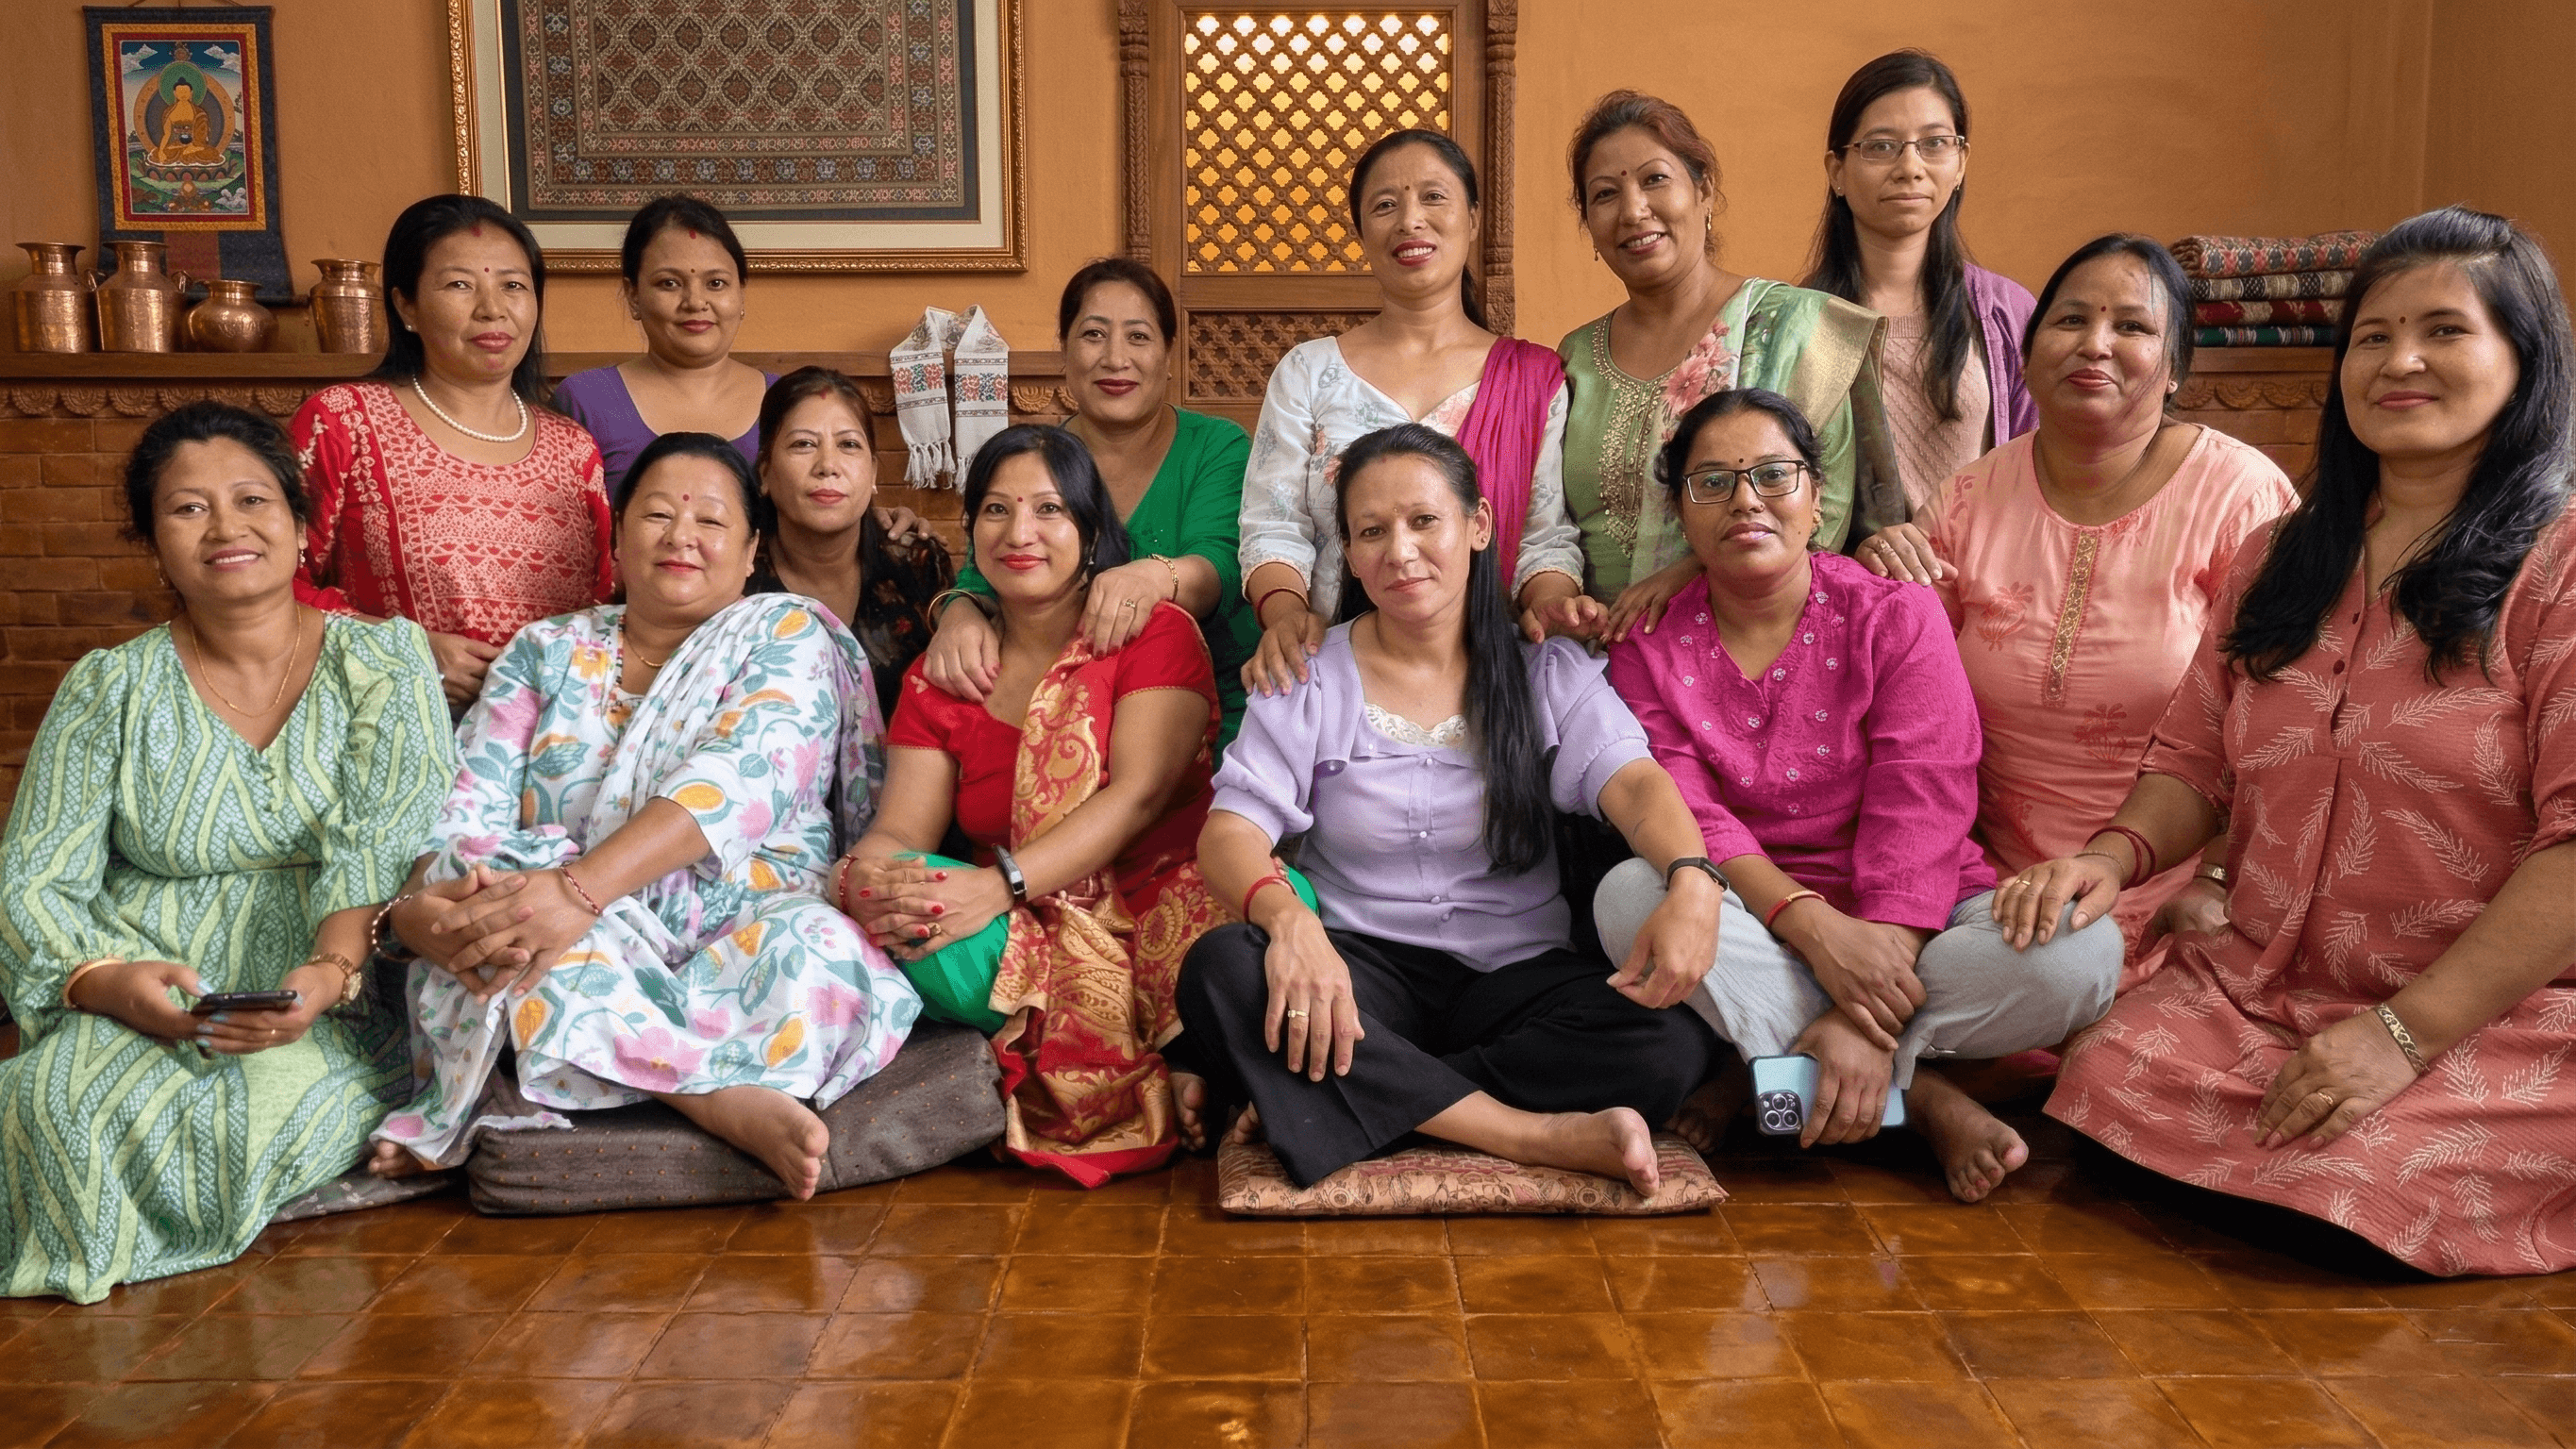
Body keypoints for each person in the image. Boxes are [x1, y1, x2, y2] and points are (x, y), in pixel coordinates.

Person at [2020, 208, 2576, 1276]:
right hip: (2270, 993)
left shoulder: (2556, 572)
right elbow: (2191, 764)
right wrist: (2107, 859)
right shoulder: (2280, 554)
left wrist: (2401, 1036)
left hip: (2498, 1016)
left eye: (2444, 333)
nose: (2399, 361)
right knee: (2103, 1074)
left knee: (2368, 1176)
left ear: (2524, 358)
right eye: (2372, 336)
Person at [1596, 389, 2121, 1203]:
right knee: (1629, 898)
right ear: (1682, 513)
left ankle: (1777, 1064)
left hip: (1922, 913)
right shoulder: (1648, 646)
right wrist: (1810, 928)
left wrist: (1863, 997)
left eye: (1774, 475)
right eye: (1712, 482)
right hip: (1755, 909)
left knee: (2081, 953)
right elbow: (1687, 812)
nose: (1745, 500)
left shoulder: (1893, 612)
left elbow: (1927, 792)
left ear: (1818, 501)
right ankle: (1922, 1102)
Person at [367, 432, 918, 1201]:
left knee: (822, 953)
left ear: (753, 546)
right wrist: (437, 903)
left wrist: (576, 893)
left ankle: (573, 1065)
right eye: (657, 515)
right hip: (572, 925)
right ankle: (713, 1098)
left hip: (740, 918)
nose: (681, 536)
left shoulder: (786, 633)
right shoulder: (545, 651)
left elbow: (738, 782)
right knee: (499, 913)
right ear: (618, 538)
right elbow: (468, 805)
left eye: (711, 521)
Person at [1178, 424, 1725, 1195]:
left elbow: (1634, 786)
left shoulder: (1544, 667)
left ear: (1479, 526)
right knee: (1224, 970)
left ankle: (1347, 1099)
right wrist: (1290, 922)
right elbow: (1230, 832)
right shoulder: (1310, 677)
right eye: (1371, 531)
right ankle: (1529, 1134)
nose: (1399, 551)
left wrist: (1694, 879)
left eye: (1423, 521)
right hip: (1360, 976)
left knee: (1668, 1037)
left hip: (1518, 976)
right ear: (1350, 552)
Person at [0, 403, 455, 1303]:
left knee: (237, 1119)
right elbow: (36, 874)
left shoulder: (386, 662)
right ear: (153, 539)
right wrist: (104, 982)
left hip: (334, 994)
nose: (226, 528)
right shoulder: (108, 687)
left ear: (299, 524)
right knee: (52, 1105)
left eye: (252, 500)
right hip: (141, 982)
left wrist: (325, 975)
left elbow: (382, 843)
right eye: (187, 509)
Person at [1865, 236, 2298, 984]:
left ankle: (1937, 1082)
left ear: (2176, 370)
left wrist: (2216, 880)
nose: (2095, 344)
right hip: (1983, 885)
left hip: (2173, 886)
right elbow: (1906, 703)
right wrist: (1874, 580)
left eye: (2132, 327)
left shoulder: (2241, 498)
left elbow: (2285, 727)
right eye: (2069, 321)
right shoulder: (1969, 499)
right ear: (2027, 357)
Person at [838, 425, 1225, 1186]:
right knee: (905, 910)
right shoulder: (947, 669)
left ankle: (1174, 1052)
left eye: (1049, 509)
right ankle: (1184, 1064)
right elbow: (900, 833)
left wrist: (997, 884)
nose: (1020, 533)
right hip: (1025, 936)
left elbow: (1138, 797)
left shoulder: (1154, 631)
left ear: (1089, 529)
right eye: (995, 510)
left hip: (1163, 908)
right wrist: (860, 885)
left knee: (1273, 914)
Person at [1240, 129, 1584, 693]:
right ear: (1361, 232)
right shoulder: (1307, 372)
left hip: (1486, 677)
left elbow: (1544, 538)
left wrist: (1552, 609)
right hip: (1328, 670)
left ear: (1473, 219)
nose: (1410, 221)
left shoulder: (1531, 379)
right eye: (1385, 205)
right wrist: (1283, 616)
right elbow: (1274, 525)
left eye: (1433, 197)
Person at [1552, 91, 1901, 641]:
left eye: (1655, 180)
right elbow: (1552, 525)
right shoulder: (1574, 359)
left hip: (1754, 648)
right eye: (1605, 194)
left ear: (1704, 190)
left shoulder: (1800, 328)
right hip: (1596, 663)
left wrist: (1689, 575)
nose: (1633, 210)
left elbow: (1823, 511)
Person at [923, 258, 1263, 751]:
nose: (1115, 359)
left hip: (1213, 716)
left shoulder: (1217, 446)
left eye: (1139, 337)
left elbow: (1222, 566)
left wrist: (1154, 576)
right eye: (1094, 335)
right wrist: (958, 613)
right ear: (1065, 350)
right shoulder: (1034, 456)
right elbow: (985, 570)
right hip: (1068, 722)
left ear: (1169, 354)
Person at [293, 194, 611, 709]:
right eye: (460, 284)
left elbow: (602, 606)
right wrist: (406, 650)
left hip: (547, 742)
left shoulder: (573, 447)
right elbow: (274, 588)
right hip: (392, 728)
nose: (492, 308)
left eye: (513, 285)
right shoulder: (343, 421)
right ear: (406, 306)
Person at [1801, 50, 2035, 509]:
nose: (1911, 168)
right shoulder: (1797, 321)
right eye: (1881, 146)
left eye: (1935, 143)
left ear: (1961, 162)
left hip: (1985, 575)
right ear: (1837, 172)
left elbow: (2043, 461)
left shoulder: (2007, 312)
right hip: (1850, 578)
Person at [745, 366, 954, 719]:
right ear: (765, 472)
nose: (828, 465)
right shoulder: (737, 576)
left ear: (872, 473)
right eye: (804, 444)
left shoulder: (918, 563)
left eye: (848, 445)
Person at [554, 195, 776, 490]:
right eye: (669, 283)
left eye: (716, 283)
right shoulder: (585, 401)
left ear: (741, 293)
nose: (696, 302)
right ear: (633, 295)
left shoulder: (786, 401)